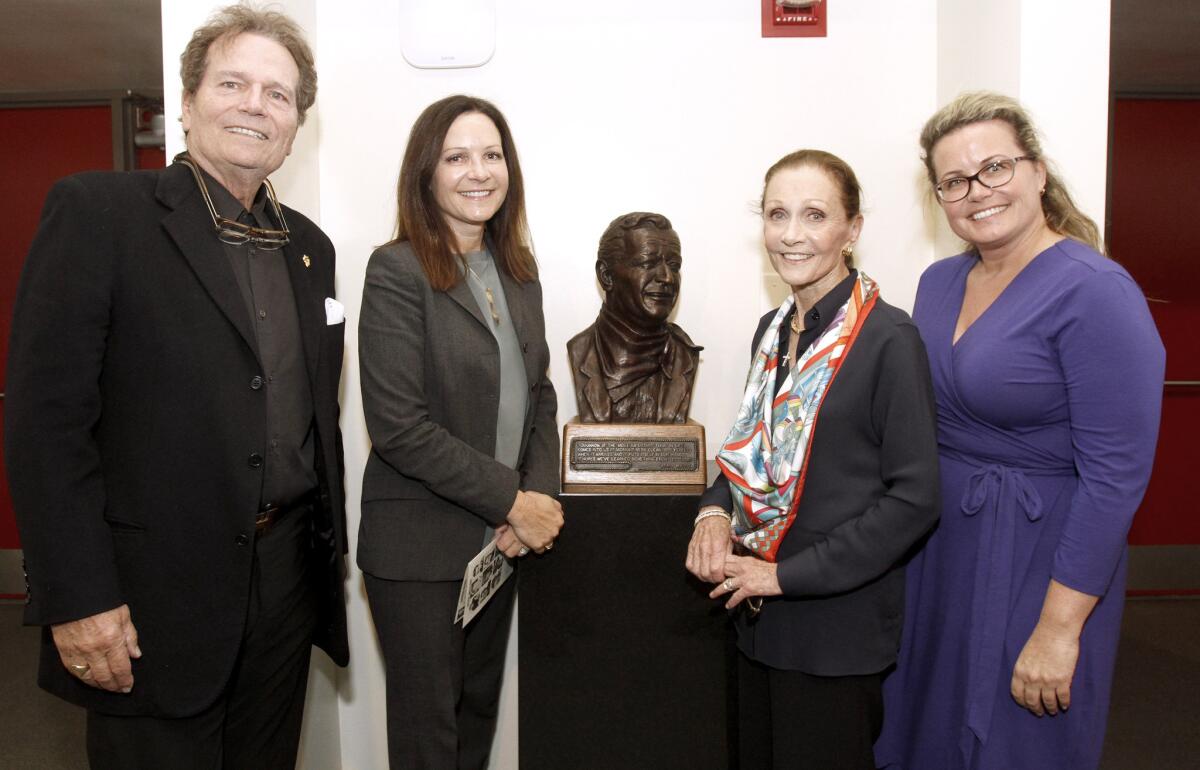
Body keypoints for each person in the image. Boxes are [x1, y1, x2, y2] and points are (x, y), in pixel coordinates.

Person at [4, 6, 347, 768]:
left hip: (287, 588)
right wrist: (78, 596)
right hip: (151, 600)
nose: (256, 104)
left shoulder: (311, 252)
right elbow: (46, 425)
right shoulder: (99, 215)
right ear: (187, 102)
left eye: (278, 94)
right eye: (234, 83)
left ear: (296, 123)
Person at [874, 92, 1165, 770]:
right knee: (923, 731)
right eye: (954, 181)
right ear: (939, 197)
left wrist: (1061, 629)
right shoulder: (939, 282)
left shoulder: (1095, 291)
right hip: (940, 551)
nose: (977, 192)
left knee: (1019, 740)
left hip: (1042, 561)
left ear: (1037, 171)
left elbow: (1115, 477)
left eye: (995, 167)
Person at [685, 149, 940, 769]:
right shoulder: (771, 330)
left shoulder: (889, 339)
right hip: (754, 619)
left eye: (815, 215)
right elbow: (750, 452)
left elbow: (915, 499)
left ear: (852, 229)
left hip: (834, 633)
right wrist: (712, 515)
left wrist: (782, 577)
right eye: (777, 214)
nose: (791, 234)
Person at [357, 94, 563, 769]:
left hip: (499, 549)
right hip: (419, 554)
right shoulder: (395, 271)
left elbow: (540, 396)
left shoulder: (519, 273)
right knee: (429, 740)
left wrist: (537, 500)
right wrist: (514, 501)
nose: (478, 172)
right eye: (456, 157)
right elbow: (398, 427)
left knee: (475, 722)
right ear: (426, 173)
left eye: (492, 155)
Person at [567, 211, 702, 423]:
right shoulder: (581, 350)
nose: (667, 277)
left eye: (674, 266)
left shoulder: (683, 355)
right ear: (606, 276)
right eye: (648, 263)